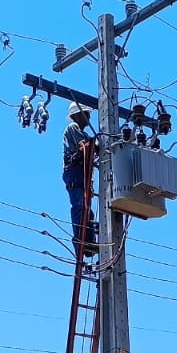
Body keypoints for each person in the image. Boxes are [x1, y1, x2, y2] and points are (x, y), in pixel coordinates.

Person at [63, 103, 98, 255]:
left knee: (87, 211)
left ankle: (89, 243)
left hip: (81, 172)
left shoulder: (79, 130)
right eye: (87, 114)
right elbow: (85, 145)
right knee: (79, 206)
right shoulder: (72, 127)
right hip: (74, 171)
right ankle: (80, 243)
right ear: (77, 115)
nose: (89, 118)